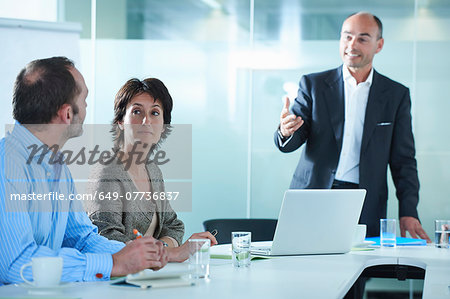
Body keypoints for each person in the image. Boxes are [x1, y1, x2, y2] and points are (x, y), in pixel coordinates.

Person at [0, 57, 168, 285]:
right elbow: (17, 264)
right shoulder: (7, 164)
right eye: (84, 98)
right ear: (67, 114)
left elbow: (81, 238)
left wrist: (134, 254)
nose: (87, 106)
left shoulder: (56, 165)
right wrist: (113, 263)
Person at [274, 12, 431, 241]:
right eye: (347, 37)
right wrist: (285, 131)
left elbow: (403, 160)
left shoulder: (396, 95)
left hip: (364, 201)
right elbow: (292, 139)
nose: (352, 45)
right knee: (304, 269)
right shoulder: (314, 85)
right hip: (313, 195)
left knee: (357, 271)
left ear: (379, 45)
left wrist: (408, 212)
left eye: (362, 38)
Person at [84, 78, 217, 262]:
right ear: (120, 122)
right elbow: (107, 238)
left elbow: (173, 226)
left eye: (155, 113)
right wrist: (172, 253)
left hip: (150, 276)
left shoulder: (152, 170)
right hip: (117, 282)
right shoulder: (107, 171)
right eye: (137, 112)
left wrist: (160, 249)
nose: (146, 121)